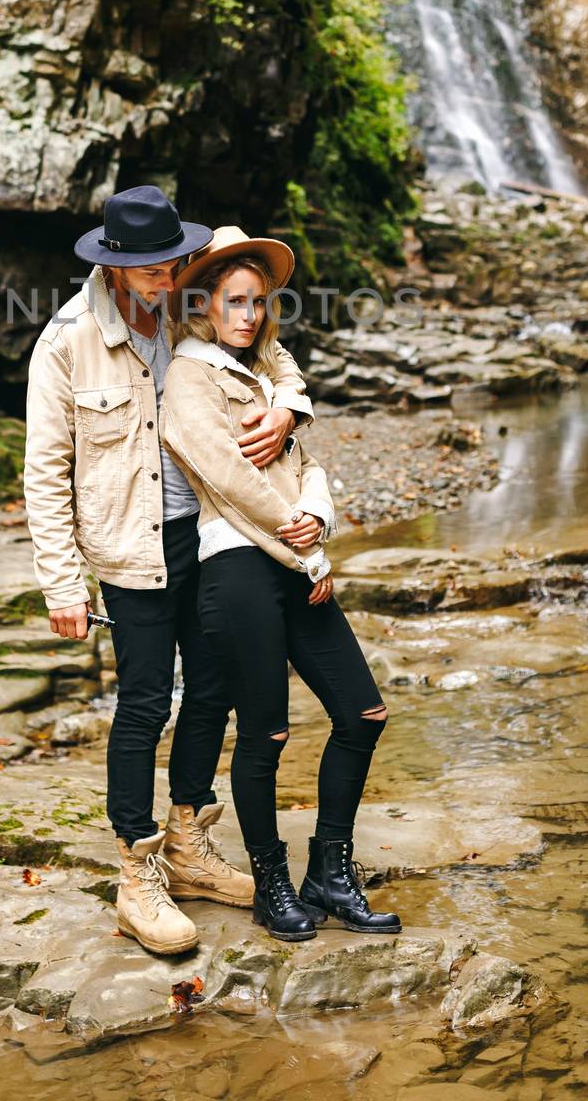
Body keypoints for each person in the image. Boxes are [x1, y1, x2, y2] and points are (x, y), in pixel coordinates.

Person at [23, 186, 317, 955]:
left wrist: (288, 404)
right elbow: (45, 471)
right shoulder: (67, 341)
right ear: (115, 265)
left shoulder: (192, 301)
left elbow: (272, 350)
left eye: (171, 259)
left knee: (214, 686)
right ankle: (135, 875)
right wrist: (62, 584)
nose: (166, 274)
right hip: (128, 548)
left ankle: (188, 845)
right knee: (145, 703)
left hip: (212, 533)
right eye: (150, 266)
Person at [160, 227, 401, 943]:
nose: (248, 315)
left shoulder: (265, 372)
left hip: (295, 556)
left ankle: (330, 870)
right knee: (264, 732)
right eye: (235, 302)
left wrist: (317, 518)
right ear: (203, 306)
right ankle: (270, 883)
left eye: (258, 303)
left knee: (362, 715)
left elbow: (305, 462)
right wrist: (304, 547)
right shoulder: (188, 376)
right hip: (236, 565)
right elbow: (225, 478)